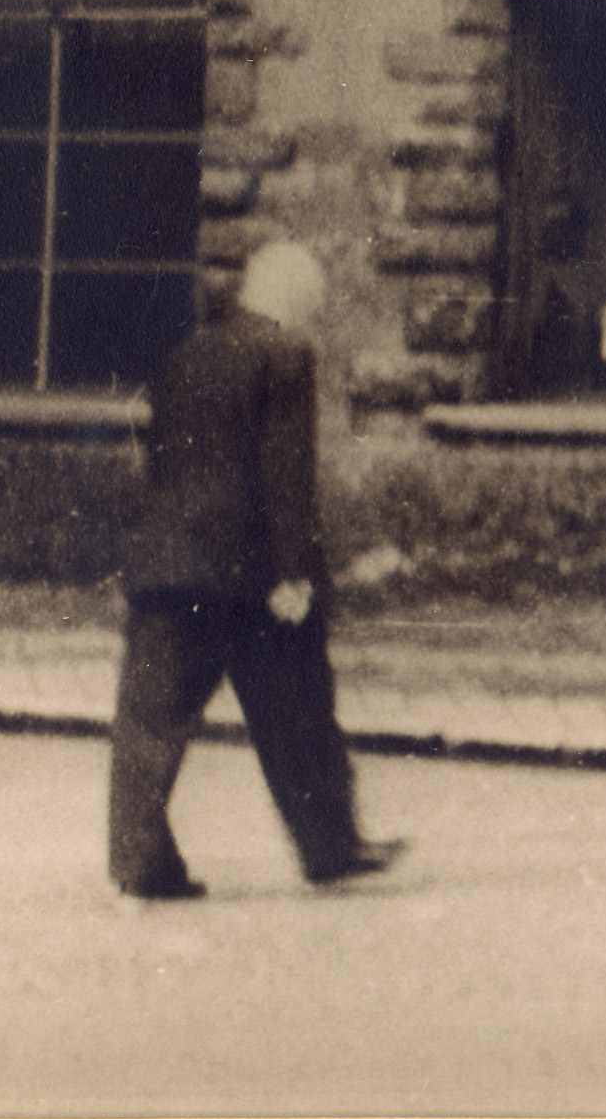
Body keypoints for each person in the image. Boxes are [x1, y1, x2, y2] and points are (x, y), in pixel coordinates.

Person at [107, 237, 405, 902]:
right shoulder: (285, 354)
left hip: (167, 567)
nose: (313, 318)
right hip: (250, 575)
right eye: (313, 305)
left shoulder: (185, 352)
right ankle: (331, 848)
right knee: (297, 708)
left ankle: (140, 865)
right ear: (295, 299)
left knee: (148, 721)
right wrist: (295, 572)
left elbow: (159, 458)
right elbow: (285, 471)